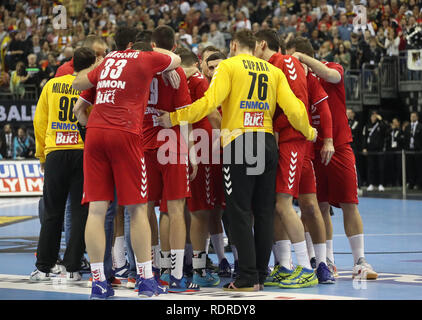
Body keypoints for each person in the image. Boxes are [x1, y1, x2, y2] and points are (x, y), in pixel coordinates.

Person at [157, 30, 316, 291]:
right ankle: (260, 275)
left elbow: (209, 103)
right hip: (266, 142)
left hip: (239, 142)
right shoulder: (272, 71)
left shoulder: (229, 66)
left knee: (239, 212)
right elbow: (295, 108)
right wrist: (309, 132)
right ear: (254, 48)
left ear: (233, 45)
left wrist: (174, 117)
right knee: (264, 211)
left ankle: (246, 278)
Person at [72, 26, 181, 299]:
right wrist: (158, 60)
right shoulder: (146, 57)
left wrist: (103, 64)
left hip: (96, 133)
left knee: (97, 211)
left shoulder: (108, 59)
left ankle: (98, 283)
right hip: (127, 134)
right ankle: (145, 279)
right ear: (141, 44)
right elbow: (177, 59)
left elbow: (78, 84)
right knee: (137, 210)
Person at [293, 39, 378, 280]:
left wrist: (303, 59)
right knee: (318, 207)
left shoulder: (332, 67)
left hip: (338, 146)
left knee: (350, 204)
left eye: (294, 59)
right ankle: (327, 259)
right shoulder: (298, 81)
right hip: (312, 149)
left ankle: (360, 261)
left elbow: (332, 76)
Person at [254, 31, 334, 288]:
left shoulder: (280, 64)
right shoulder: (282, 65)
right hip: (291, 139)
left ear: (262, 44)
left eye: (253, 46)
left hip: (291, 138)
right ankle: (290, 265)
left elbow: (293, 103)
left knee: (287, 205)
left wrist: (282, 132)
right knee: (286, 204)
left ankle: (306, 267)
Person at [141, 26, 199, 293]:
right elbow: (185, 116)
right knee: (174, 210)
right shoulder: (175, 72)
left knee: (145, 210)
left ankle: (152, 270)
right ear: (175, 47)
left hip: (143, 142)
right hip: (172, 143)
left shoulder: (140, 67)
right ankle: (175, 276)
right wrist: (193, 153)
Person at [30, 47, 95, 284]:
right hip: (81, 152)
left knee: (52, 212)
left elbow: (40, 122)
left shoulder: (51, 85)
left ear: (72, 62)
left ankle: (44, 267)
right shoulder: (90, 86)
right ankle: (72, 268)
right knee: (79, 213)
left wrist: (42, 155)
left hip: (56, 152)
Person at [176, 47, 222, 287]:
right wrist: (229, 137)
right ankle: (199, 270)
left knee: (180, 209)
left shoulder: (173, 79)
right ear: (197, 63)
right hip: (201, 147)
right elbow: (213, 115)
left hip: (179, 144)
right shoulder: (197, 81)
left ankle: (179, 265)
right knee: (200, 211)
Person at [362, 111, 387, 192]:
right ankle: (371, 184)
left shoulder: (380, 125)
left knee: (381, 167)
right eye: (372, 116)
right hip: (370, 150)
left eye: (375, 116)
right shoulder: (367, 126)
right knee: (371, 167)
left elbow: (385, 129)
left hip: (379, 150)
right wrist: (364, 147)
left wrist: (381, 120)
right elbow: (364, 137)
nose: (374, 117)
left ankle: (381, 184)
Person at [404, 112, 422, 190]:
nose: (412, 118)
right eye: (411, 116)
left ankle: (419, 183)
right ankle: (411, 183)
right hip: (409, 150)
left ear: (417, 117)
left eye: (414, 116)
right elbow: (405, 139)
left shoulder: (420, 126)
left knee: (418, 167)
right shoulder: (407, 127)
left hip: (418, 150)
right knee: (410, 167)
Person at [385, 118, 404, 187]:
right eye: (393, 122)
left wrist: (395, 137)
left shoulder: (400, 130)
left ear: (398, 123)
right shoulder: (390, 131)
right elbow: (386, 136)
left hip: (398, 150)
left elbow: (401, 140)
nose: (394, 124)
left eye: (395, 122)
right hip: (391, 150)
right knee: (391, 166)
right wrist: (391, 130)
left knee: (398, 167)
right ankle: (391, 181)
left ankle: (398, 181)